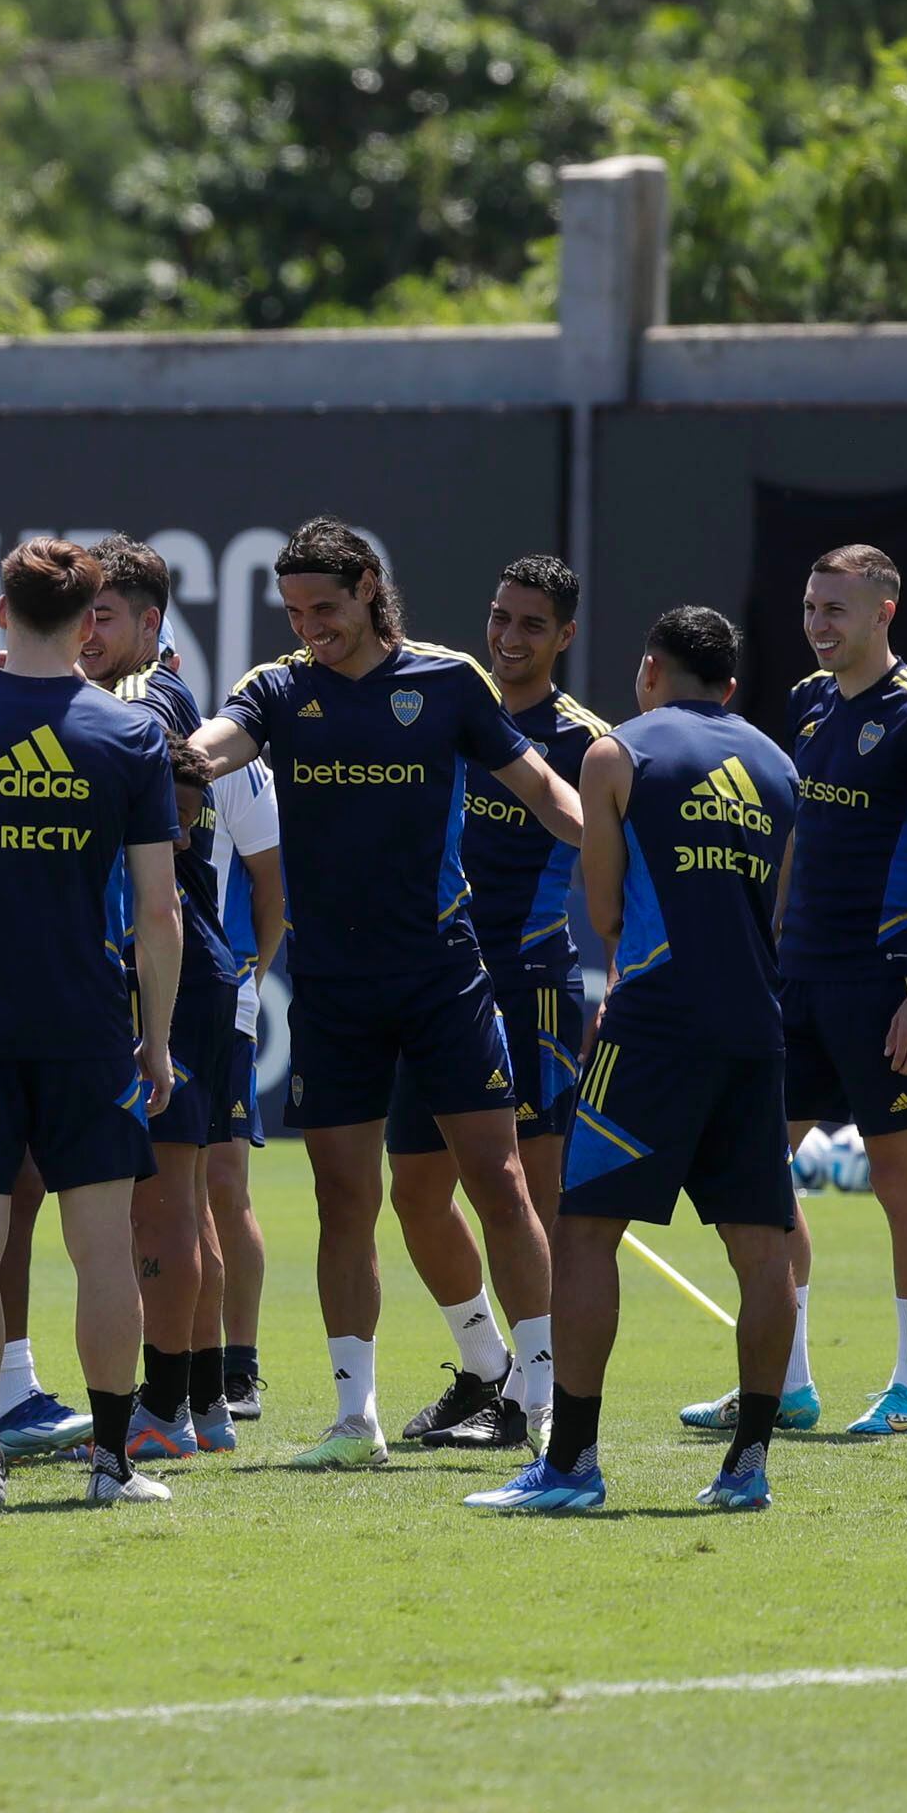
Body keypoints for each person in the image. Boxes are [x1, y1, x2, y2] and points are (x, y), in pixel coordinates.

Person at [182, 518, 577, 1473]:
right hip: (330, 990)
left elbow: (545, 794)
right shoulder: (279, 689)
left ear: (369, 587)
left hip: (444, 978)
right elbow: (218, 743)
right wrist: (171, 753)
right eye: (294, 611)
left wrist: (630, 854)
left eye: (325, 606)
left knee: (502, 1182)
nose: (310, 625)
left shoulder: (448, 682)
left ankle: (552, 1398)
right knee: (343, 1199)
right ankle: (354, 1418)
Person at [471, 606, 800, 1514]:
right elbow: (773, 912)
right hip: (755, 1025)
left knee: (585, 1230)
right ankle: (748, 1466)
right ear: (730, 687)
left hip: (654, 1019)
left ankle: (571, 1462)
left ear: (649, 668)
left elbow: (606, 911)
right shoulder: (778, 766)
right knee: (762, 1249)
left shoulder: (616, 753)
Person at [0, 537, 182, 1510]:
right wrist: (157, 1034)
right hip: (89, 1022)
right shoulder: (126, 735)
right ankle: (108, 1462)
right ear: (88, 616)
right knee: (99, 1243)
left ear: (2, 614)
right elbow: (158, 910)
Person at [723, 544, 907, 1441]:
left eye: (836, 608)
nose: (818, 623)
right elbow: (794, 841)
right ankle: (785, 1383)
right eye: (808, 606)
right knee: (757, 1175)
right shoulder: (805, 701)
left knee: (902, 1186)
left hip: (884, 985)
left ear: (884, 612)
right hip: (796, 979)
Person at [384, 555, 605, 1450]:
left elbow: (613, 869)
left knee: (527, 1198)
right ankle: (485, 1367)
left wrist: (624, 972)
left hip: (530, 986)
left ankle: (539, 1399)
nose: (509, 639)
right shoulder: (447, 704)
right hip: (434, 983)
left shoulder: (586, 742)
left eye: (530, 625)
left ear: (564, 636)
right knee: (415, 1194)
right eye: (499, 617)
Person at [81, 540, 240, 1463]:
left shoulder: (138, 703)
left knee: (161, 1206)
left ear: (149, 625)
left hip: (164, 966)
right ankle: (205, 1399)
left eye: (106, 617)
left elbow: (171, 819)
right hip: (188, 965)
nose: (88, 634)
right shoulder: (146, 698)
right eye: (83, 615)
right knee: (185, 1202)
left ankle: (164, 1408)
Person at [205, 742, 286, 1423]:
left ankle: (241, 1367)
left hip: (218, 1002)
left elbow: (272, 886)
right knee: (140, 1196)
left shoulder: (231, 761)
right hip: (123, 1001)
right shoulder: (101, 738)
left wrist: (248, 983)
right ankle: (173, 1366)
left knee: (224, 1185)